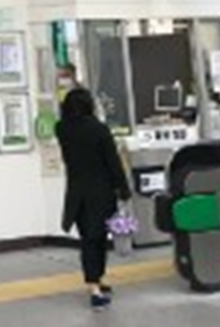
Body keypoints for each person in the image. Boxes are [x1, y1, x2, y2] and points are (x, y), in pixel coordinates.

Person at [55, 87, 131, 311]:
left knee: (88, 239)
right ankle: (95, 289)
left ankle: (96, 280)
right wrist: (123, 189)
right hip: (101, 192)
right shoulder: (99, 129)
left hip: (77, 193)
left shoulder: (62, 129)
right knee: (98, 240)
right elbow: (113, 162)